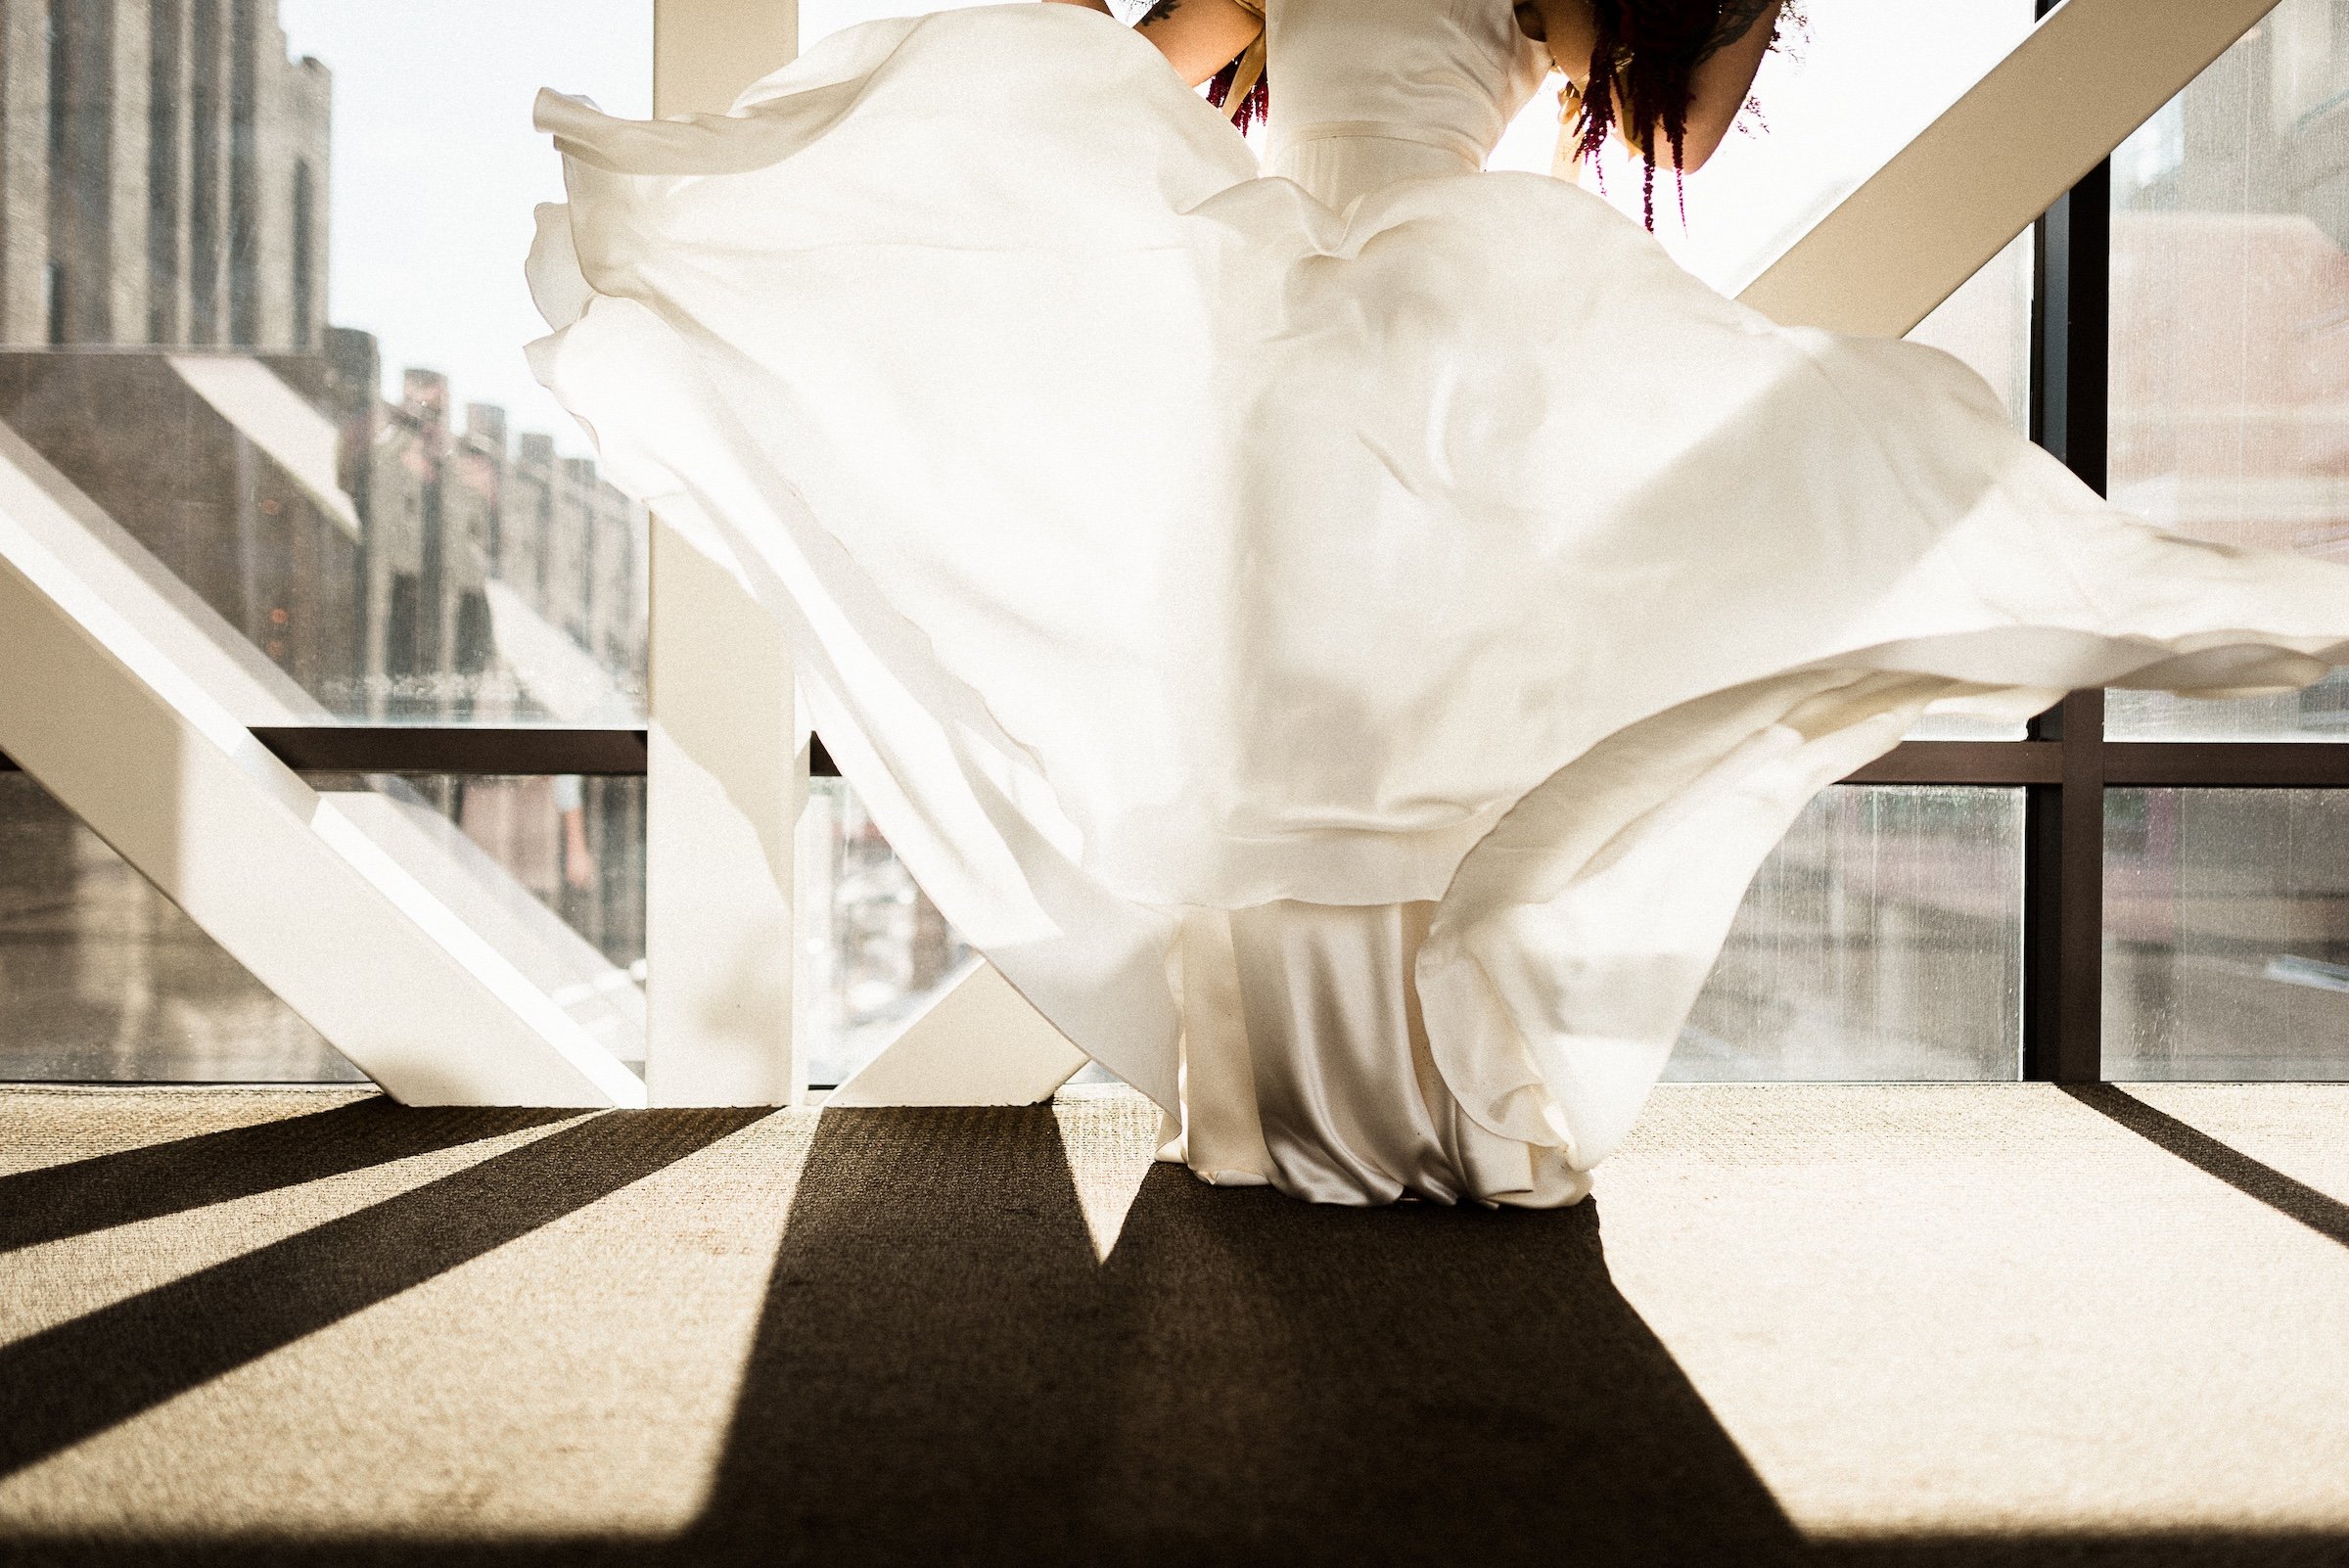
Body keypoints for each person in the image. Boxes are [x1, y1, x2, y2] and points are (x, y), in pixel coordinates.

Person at [526, 0, 2349, 1206]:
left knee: (1320, 725)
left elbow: (1137, 70)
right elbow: (1682, 130)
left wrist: (996, 119)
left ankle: (1281, 1121)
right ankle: (1397, 1109)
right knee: (1360, 728)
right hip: (1412, 326)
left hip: (1321, 331)